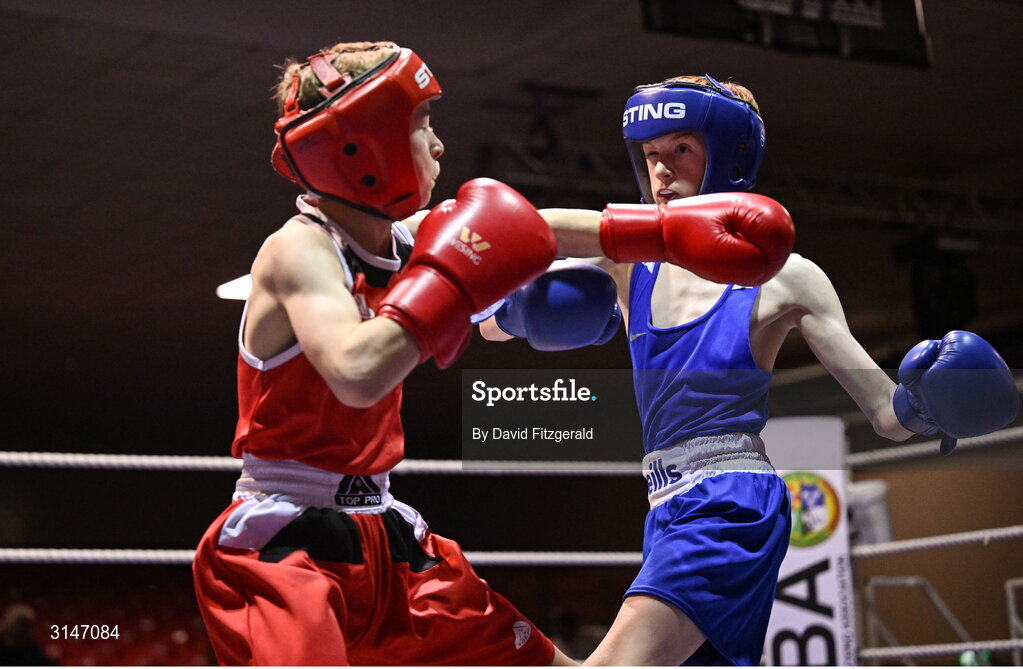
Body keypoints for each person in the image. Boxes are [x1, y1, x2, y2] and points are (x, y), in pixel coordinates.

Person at [482, 74, 1018, 665]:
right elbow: (491, 304)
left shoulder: (788, 276)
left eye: (680, 150)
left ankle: (501, 641)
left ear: (729, 154)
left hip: (730, 502)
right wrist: (516, 310)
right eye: (650, 155)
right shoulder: (631, 264)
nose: (660, 172)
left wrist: (931, 402)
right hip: (666, 505)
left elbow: (887, 414)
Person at [191, 41, 576, 666]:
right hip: (288, 542)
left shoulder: (402, 239)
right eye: (421, 125)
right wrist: (450, 284)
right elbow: (355, 372)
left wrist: (661, 234)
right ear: (365, 148)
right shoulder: (299, 250)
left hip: (389, 530)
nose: (439, 144)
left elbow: (541, 227)